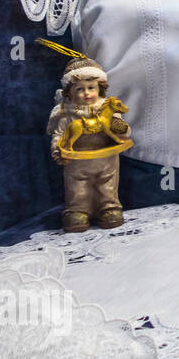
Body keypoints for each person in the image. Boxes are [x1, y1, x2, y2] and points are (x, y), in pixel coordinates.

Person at [46, 57, 133, 232]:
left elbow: (122, 132)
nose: (86, 93)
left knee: (107, 185)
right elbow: (59, 134)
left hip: (106, 159)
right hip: (77, 161)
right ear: (69, 93)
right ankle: (77, 210)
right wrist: (57, 149)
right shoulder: (66, 114)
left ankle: (109, 208)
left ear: (100, 88)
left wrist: (121, 130)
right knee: (77, 187)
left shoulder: (108, 109)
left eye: (91, 88)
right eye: (79, 89)